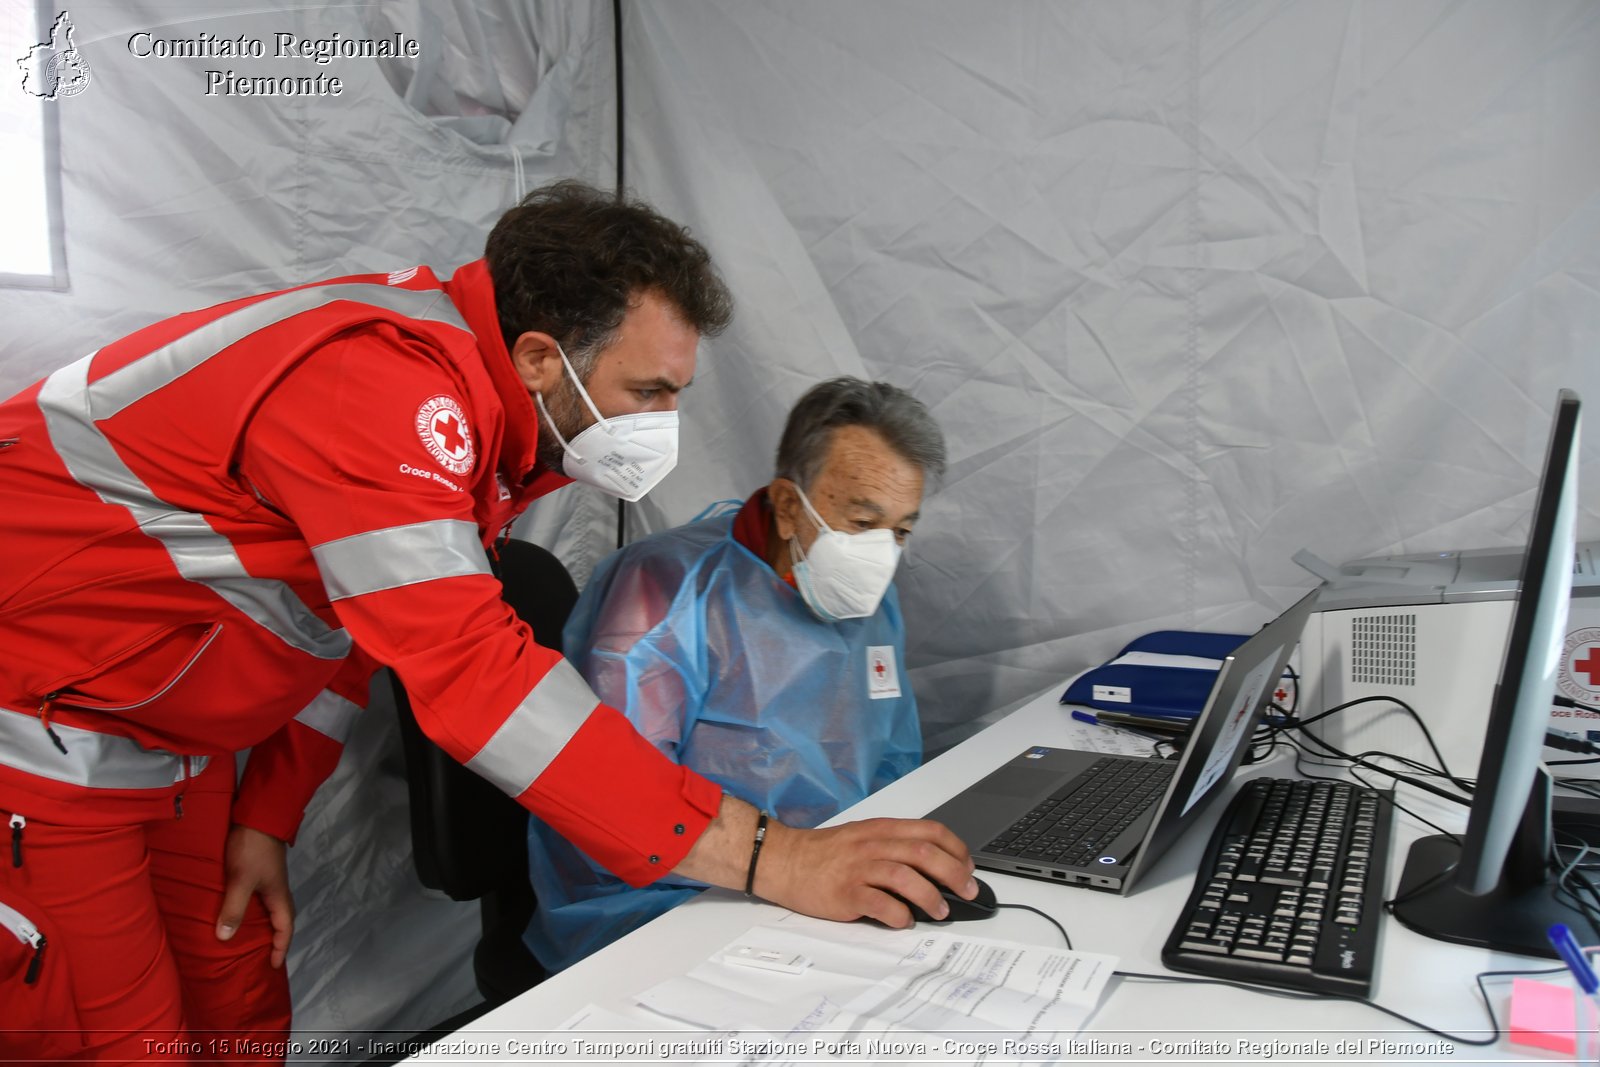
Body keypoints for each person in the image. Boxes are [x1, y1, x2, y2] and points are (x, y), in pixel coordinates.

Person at [0, 180, 974, 1061]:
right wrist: (780, 856)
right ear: (542, 358)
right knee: (118, 1037)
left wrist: (264, 814)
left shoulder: (481, 423)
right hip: (41, 736)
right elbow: (478, 680)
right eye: (649, 391)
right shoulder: (383, 387)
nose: (665, 421)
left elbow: (335, 630)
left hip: (170, 740)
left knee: (239, 1001)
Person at [524, 378, 943, 971]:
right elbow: (616, 809)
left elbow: (892, 761)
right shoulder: (666, 597)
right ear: (790, 504)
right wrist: (789, 868)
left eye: (900, 531)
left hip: (822, 881)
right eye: (860, 520)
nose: (881, 554)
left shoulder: (868, 599)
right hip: (672, 895)